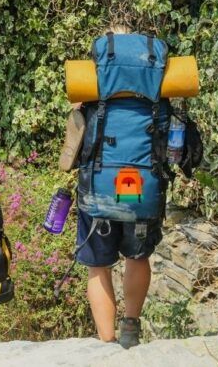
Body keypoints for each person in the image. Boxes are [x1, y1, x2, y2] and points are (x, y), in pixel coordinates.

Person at [76, 25, 162, 349]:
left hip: (98, 188)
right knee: (138, 256)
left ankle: (107, 342)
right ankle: (130, 326)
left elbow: (76, 139)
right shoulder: (157, 84)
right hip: (145, 186)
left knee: (98, 266)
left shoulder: (90, 85)